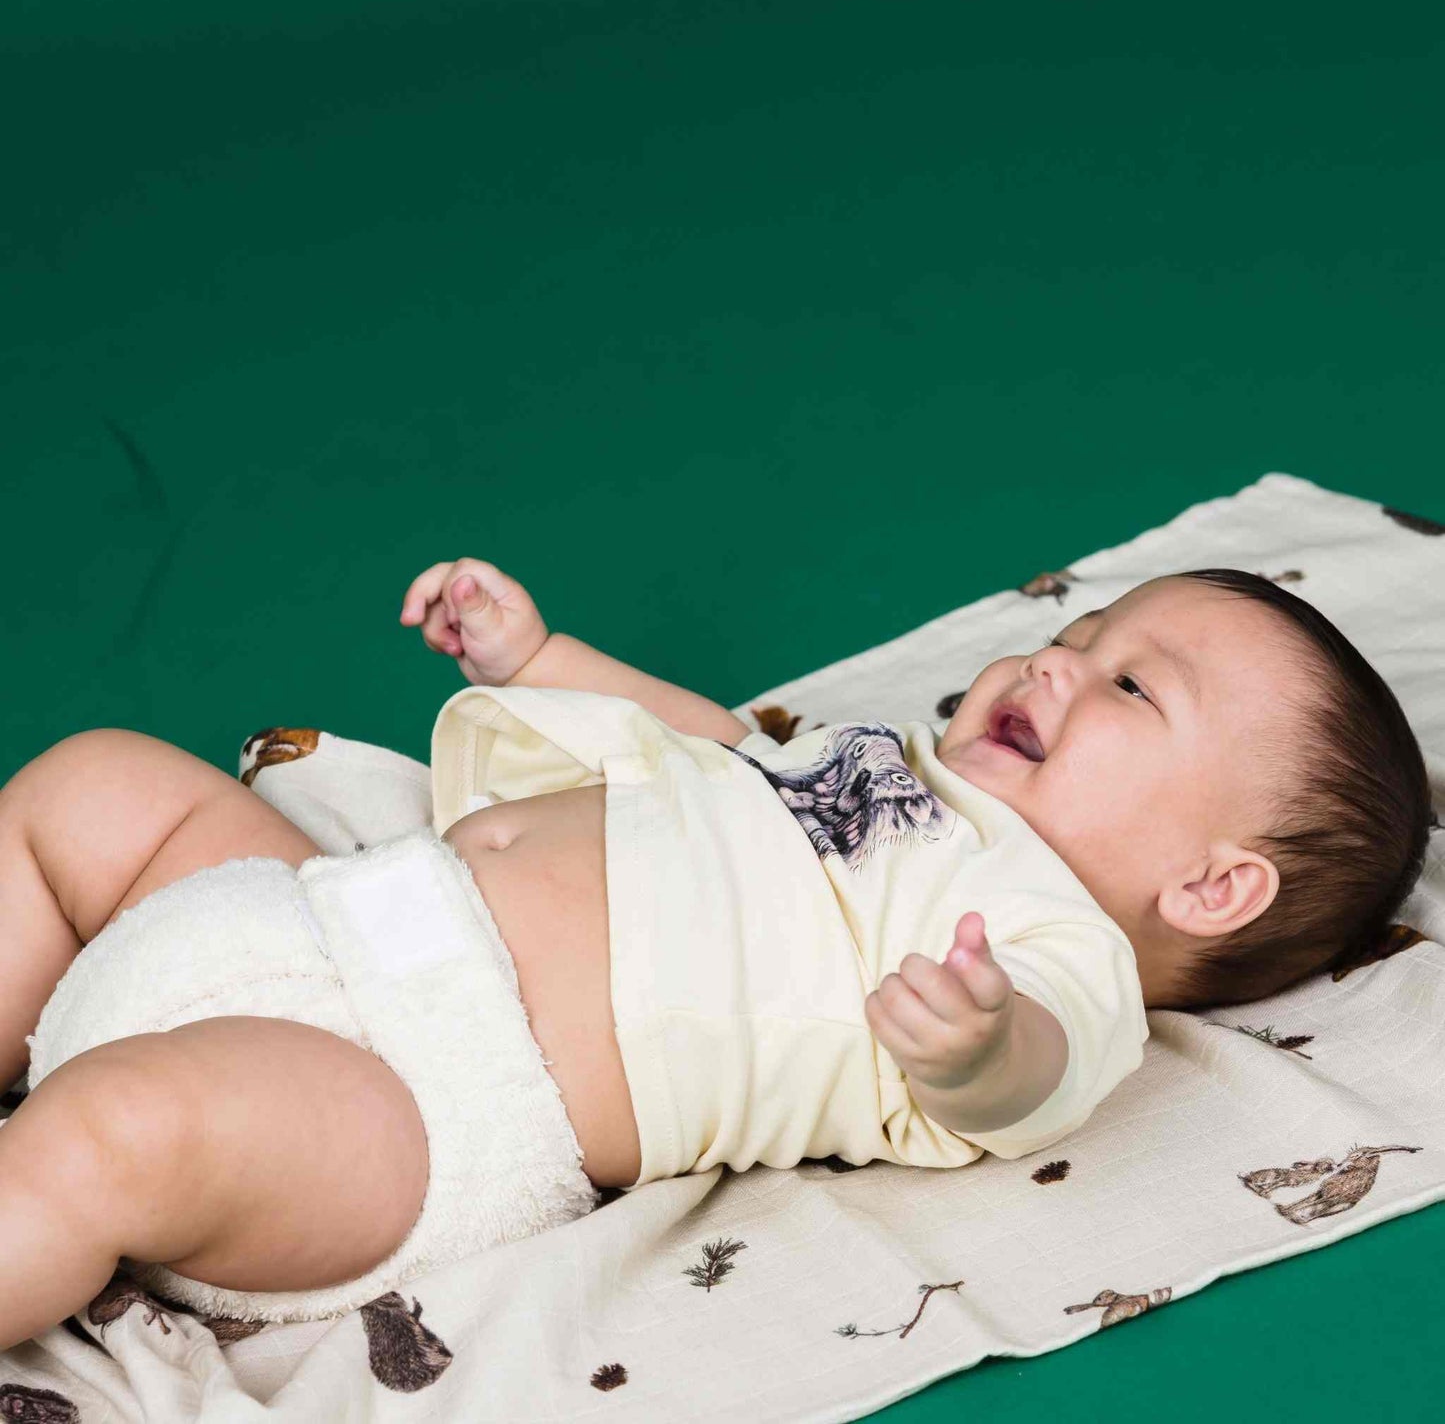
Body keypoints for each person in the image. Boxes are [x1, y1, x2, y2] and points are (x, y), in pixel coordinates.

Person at [0, 559, 1429, 1343]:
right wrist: (539, 660)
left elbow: (1038, 1072)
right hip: (319, 907)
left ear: (1211, 886)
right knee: (95, 786)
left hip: (416, 1102)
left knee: (124, 1126)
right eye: (1085, 627)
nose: (1056, 659)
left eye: (1129, 685)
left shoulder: (1050, 949)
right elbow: (721, 748)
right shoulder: (895, 767)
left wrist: (984, 1042)